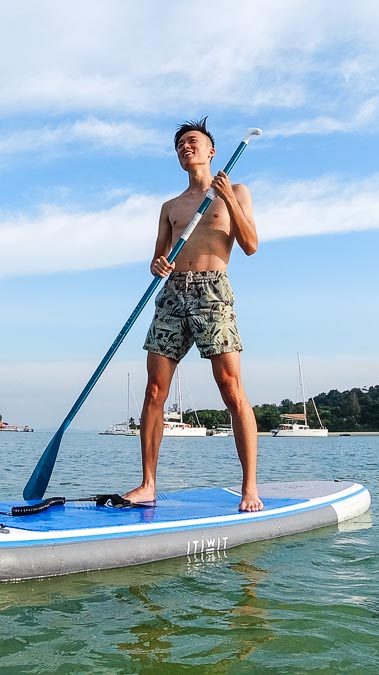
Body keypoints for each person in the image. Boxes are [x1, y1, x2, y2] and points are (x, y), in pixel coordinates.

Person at [122, 117, 263, 512]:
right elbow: (158, 256)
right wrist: (157, 266)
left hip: (212, 291)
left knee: (231, 389)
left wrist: (228, 198)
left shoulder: (236, 191)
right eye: (181, 144)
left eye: (193, 141)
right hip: (172, 294)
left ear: (211, 150)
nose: (186, 147)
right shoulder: (170, 207)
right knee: (154, 391)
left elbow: (251, 245)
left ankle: (250, 488)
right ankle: (148, 484)